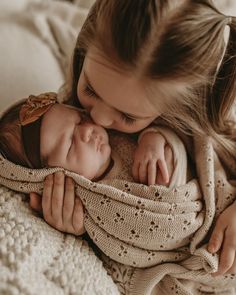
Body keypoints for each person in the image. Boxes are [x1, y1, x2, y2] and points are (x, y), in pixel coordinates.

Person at [30, 0, 236, 276]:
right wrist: (87, 227)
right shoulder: (90, 79)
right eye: (90, 89)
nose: (99, 119)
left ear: (175, 110)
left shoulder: (202, 110)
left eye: (127, 116)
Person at [0, 92, 187, 234]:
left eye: (81, 119)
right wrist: (80, 231)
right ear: (49, 178)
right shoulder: (87, 206)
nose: (88, 130)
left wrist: (154, 138)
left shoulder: (121, 133)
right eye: (71, 143)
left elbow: (181, 138)